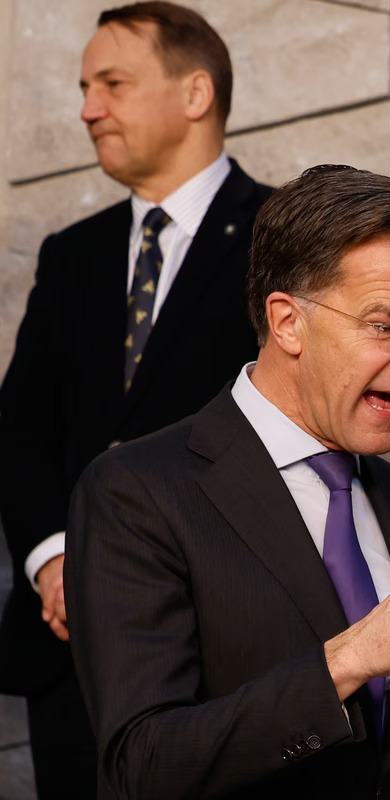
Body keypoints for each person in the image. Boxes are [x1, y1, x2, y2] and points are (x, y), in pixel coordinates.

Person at [63, 164, 390, 799]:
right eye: (385, 326)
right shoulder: (136, 493)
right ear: (287, 322)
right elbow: (144, 764)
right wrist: (348, 660)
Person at [0, 3, 270, 796]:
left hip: (225, 663)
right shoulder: (71, 254)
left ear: (195, 94)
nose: (88, 107)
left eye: (112, 83)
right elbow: (19, 431)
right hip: (70, 660)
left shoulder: (284, 240)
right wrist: (55, 562)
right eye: (86, 86)